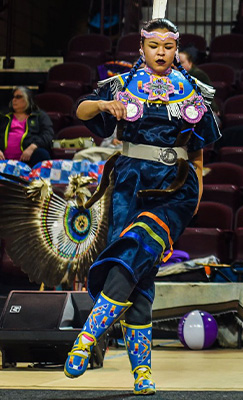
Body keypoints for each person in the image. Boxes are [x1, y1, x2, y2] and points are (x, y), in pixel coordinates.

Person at [63, 17, 220, 395]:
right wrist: (105, 104)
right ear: (142, 48)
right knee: (137, 271)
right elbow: (80, 110)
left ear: (176, 47)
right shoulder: (122, 84)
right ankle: (142, 373)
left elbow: (200, 147)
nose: (161, 53)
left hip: (174, 187)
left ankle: (89, 334)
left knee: (137, 248)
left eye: (168, 47)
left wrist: (196, 191)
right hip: (129, 183)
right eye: (154, 46)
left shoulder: (190, 88)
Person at [0, 87, 53, 167]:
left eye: (18, 97)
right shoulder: (4, 116)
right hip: (3, 158)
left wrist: (32, 147)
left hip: (28, 157)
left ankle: (39, 179)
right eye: (13, 97)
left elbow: (48, 135)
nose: (14, 100)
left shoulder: (39, 116)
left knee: (42, 153)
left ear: (28, 98)